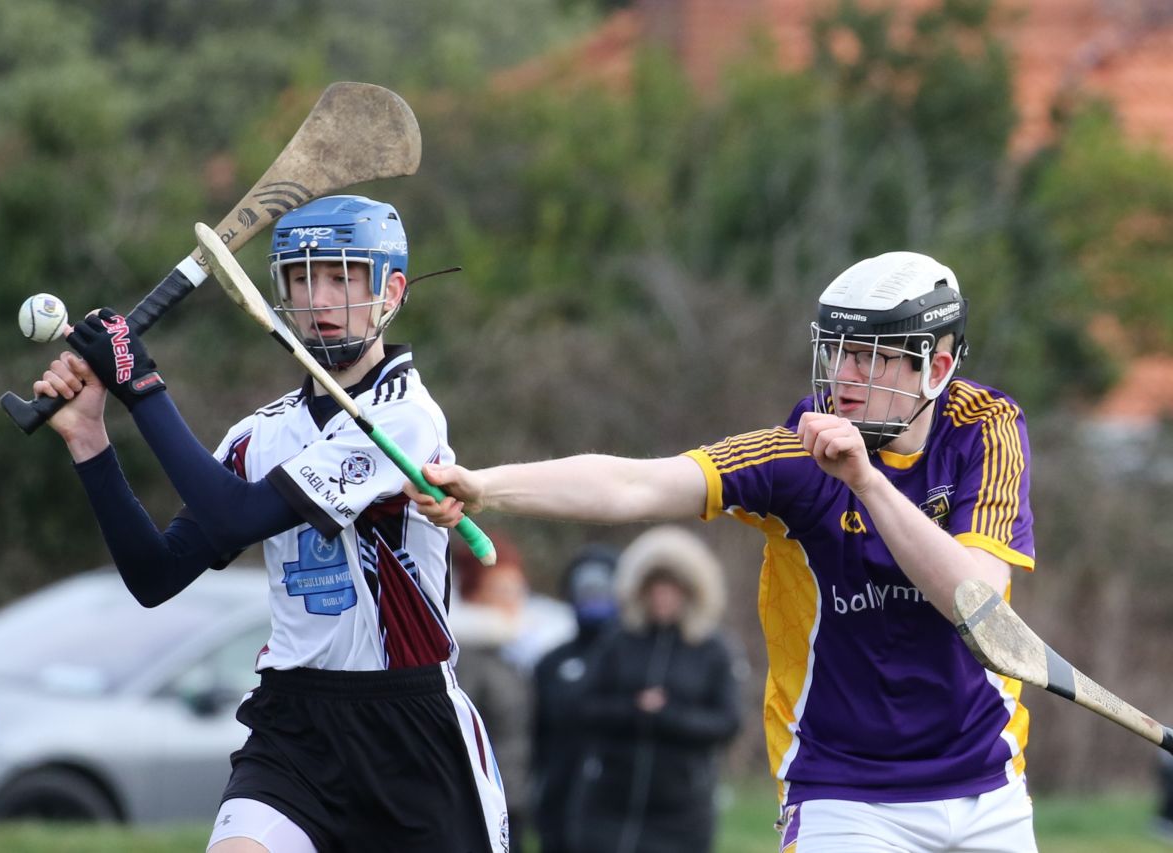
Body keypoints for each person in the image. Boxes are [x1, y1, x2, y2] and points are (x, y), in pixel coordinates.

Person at [407, 251, 1041, 852]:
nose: (843, 377)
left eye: (868, 359)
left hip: (988, 782)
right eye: (836, 352)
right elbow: (637, 483)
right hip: (846, 793)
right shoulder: (796, 458)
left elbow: (974, 598)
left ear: (935, 366)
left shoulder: (986, 433)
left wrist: (866, 482)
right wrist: (486, 486)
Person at [34, 195, 507, 853]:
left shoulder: (405, 418)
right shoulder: (259, 435)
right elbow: (155, 573)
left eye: (343, 277)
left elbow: (240, 515)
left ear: (390, 291)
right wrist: (89, 437)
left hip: (411, 733)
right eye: (301, 278)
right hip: (294, 727)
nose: (319, 297)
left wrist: (140, 382)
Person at [567, 525, 741, 853]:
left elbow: (727, 721)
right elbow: (583, 706)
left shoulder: (713, 649)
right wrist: (634, 709)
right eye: (655, 587)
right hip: (610, 799)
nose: (662, 597)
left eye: (671, 588)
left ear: (691, 592)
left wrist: (669, 715)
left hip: (682, 808)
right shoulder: (617, 641)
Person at [530, 542, 620, 853]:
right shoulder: (551, 663)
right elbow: (538, 734)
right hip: (559, 798)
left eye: (602, 587)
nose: (593, 596)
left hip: (618, 800)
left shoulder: (636, 659)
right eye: (585, 588)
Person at [450, 532, 534, 853]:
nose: (512, 598)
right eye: (501, 588)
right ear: (474, 592)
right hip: (479, 806)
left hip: (512, 801)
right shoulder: (465, 656)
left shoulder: (511, 652)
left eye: (516, 588)